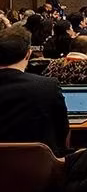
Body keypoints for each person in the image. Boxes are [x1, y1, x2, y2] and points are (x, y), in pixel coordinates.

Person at [0, 27, 69, 155]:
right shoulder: (48, 86)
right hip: (39, 167)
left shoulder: (47, 86)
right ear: (28, 54)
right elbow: (62, 129)